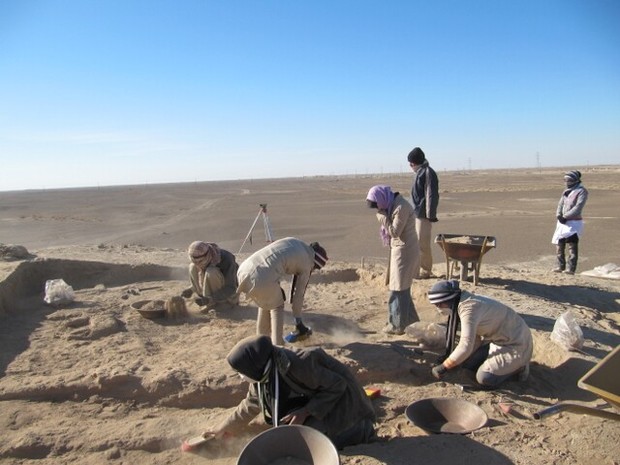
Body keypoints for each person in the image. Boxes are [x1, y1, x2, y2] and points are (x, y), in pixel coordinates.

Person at [202, 335, 377, 449]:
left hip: (346, 404)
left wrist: (306, 411)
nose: (241, 376)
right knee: (288, 427)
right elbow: (251, 403)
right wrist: (223, 427)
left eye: (241, 372)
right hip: (319, 398)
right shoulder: (264, 368)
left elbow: (338, 385)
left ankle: (360, 431)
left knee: (306, 439)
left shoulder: (300, 364)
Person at [428, 279, 533, 388]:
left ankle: (520, 368)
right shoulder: (461, 300)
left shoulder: (469, 309)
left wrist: (444, 366)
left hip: (516, 344)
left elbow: (466, 345)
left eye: (438, 305)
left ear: (447, 300)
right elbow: (475, 340)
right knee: (467, 364)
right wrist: (454, 361)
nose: (438, 309)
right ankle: (502, 365)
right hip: (499, 339)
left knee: (484, 378)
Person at [236, 237, 328, 345]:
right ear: (316, 263)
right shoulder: (308, 263)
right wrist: (298, 320)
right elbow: (299, 294)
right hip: (261, 276)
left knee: (266, 301)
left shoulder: (295, 242)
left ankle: (261, 340)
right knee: (277, 306)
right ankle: (278, 344)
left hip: (244, 269)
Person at [366, 185, 420, 335]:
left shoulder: (401, 207)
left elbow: (395, 232)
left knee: (398, 290)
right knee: (401, 287)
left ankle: (396, 325)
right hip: (400, 250)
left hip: (405, 251)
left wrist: (383, 218)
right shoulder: (393, 205)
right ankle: (411, 322)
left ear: (382, 199)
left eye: (377, 205)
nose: (378, 209)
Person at [407, 147, 439, 279]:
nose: (410, 166)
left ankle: (425, 270)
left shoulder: (428, 173)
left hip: (423, 215)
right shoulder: (420, 172)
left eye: (411, 163)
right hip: (415, 214)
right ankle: (417, 268)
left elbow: (431, 195)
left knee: (422, 244)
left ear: (415, 162)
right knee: (416, 243)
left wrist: (430, 215)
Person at [552, 170, 588, 274]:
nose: (567, 182)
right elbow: (560, 204)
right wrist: (559, 215)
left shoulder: (581, 191)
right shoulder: (565, 191)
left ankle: (571, 269)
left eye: (569, 180)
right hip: (562, 222)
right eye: (565, 180)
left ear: (575, 180)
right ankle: (560, 266)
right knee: (560, 244)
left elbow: (578, 207)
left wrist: (566, 216)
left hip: (573, 222)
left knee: (572, 245)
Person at [182, 241, 239, 308]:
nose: (198, 264)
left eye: (200, 261)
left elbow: (231, 288)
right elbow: (203, 278)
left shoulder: (226, 259)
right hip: (207, 295)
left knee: (211, 271)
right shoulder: (200, 261)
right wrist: (191, 290)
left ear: (207, 255)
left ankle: (216, 304)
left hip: (227, 298)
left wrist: (210, 299)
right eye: (195, 261)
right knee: (192, 266)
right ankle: (204, 298)